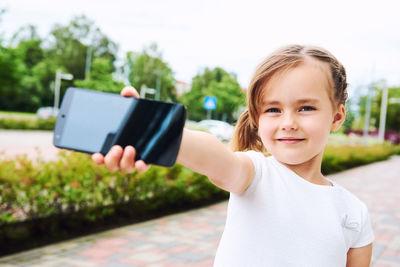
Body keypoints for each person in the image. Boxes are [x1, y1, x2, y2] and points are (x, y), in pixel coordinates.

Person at [92, 44, 374, 266]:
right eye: (273, 109)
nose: (288, 122)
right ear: (257, 118)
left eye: (305, 108)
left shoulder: (354, 213)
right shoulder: (254, 174)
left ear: (337, 116)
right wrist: (157, 128)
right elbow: (213, 154)